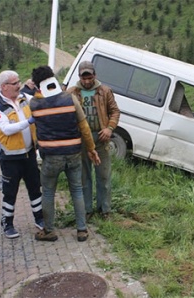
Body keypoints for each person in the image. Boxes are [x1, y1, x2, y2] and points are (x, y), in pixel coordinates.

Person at [30, 66, 101, 242]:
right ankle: (82, 230)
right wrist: (91, 149)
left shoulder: (34, 103)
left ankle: (49, 231)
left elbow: (33, 129)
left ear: (38, 84)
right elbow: (84, 126)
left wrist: (36, 148)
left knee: (47, 192)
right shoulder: (70, 98)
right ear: (53, 78)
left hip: (51, 156)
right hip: (73, 153)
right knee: (77, 190)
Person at [0, 70, 44, 239]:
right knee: (10, 192)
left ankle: (40, 218)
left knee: (35, 187)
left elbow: (41, 102)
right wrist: (28, 122)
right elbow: (6, 129)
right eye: (15, 83)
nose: (19, 85)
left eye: (19, 82)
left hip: (28, 154)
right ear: (4, 86)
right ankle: (7, 223)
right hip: (10, 158)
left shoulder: (24, 99)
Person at [67, 61, 120, 219]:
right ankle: (87, 210)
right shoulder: (72, 92)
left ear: (94, 75)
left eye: (89, 77)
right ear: (79, 77)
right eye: (84, 78)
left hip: (100, 138)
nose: (87, 81)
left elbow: (115, 111)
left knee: (103, 176)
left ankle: (105, 210)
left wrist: (109, 128)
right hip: (81, 139)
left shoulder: (105, 91)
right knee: (84, 176)